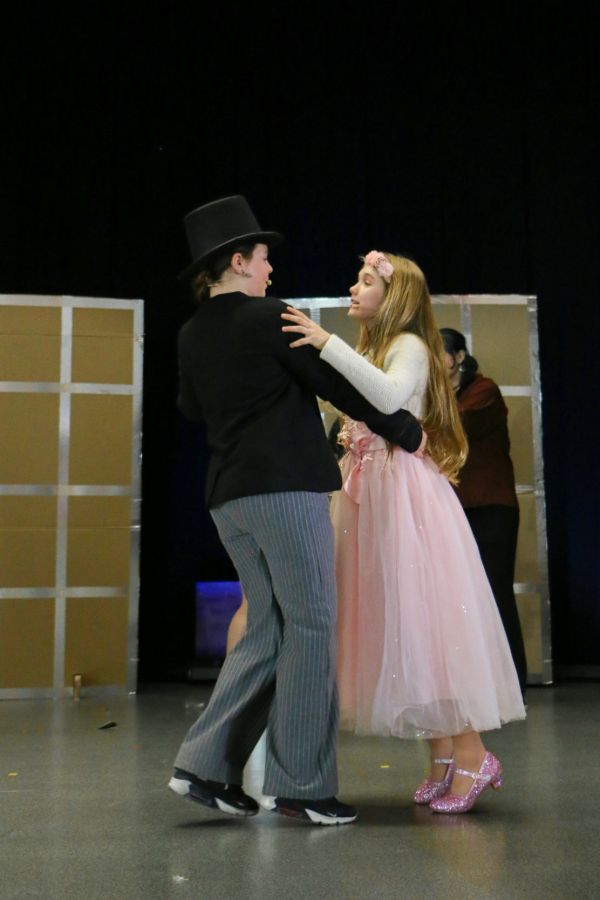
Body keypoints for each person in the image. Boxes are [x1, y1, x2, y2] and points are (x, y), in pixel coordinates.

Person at [168, 197, 424, 826]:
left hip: (228, 499)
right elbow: (337, 384)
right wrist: (406, 430)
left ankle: (204, 766)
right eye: (262, 259)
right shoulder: (269, 316)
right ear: (237, 261)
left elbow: (191, 408)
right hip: (284, 491)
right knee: (311, 625)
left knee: (267, 627)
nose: (269, 270)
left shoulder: (191, 332)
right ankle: (302, 788)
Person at [281, 251, 526, 815]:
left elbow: (390, 398)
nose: (354, 287)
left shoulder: (410, 346)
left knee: (426, 621)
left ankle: (473, 752)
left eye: (366, 280)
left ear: (393, 297)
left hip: (402, 494)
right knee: (399, 622)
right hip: (371, 490)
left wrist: (326, 343)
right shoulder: (377, 347)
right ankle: (441, 754)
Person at [440, 328, 528, 698]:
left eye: (439, 352)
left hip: (492, 507)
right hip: (456, 509)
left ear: (459, 357)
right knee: (463, 598)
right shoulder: (437, 394)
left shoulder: (484, 390)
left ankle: (514, 686)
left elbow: (455, 426)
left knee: (496, 593)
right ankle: (478, 687)